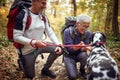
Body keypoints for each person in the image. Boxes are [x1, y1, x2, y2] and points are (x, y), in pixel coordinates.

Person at [13, 0, 62, 79]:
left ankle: (45, 69)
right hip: (27, 51)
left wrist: (58, 44)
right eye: (43, 3)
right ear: (34, 1)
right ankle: (21, 62)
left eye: (46, 3)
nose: (45, 6)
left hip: (39, 46)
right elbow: (16, 36)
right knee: (30, 76)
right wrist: (34, 42)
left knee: (58, 50)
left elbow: (49, 31)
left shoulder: (43, 16)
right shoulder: (23, 15)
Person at [63, 14, 92, 80]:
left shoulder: (88, 33)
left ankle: (82, 69)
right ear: (77, 24)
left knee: (85, 55)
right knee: (73, 76)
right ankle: (71, 66)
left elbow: (84, 49)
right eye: (84, 26)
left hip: (80, 54)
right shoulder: (67, 31)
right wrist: (78, 46)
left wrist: (85, 48)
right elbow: (69, 50)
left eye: (87, 27)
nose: (85, 29)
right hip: (69, 56)